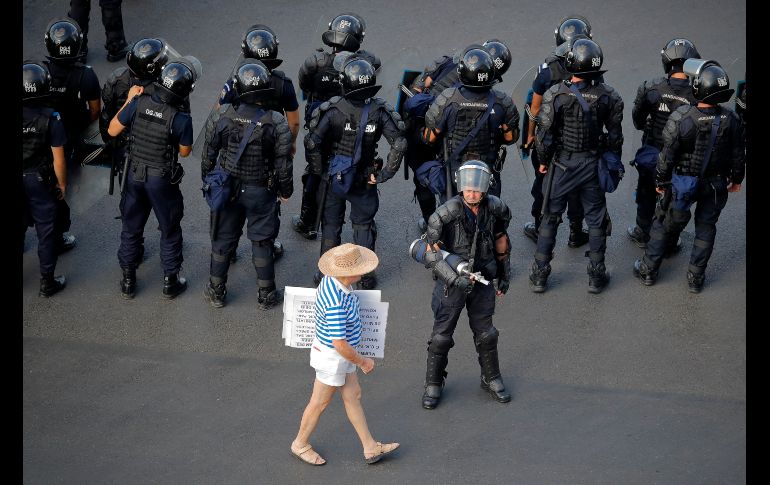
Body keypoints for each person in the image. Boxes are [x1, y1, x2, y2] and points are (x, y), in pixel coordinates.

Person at [633, 60, 745, 293]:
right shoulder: (731, 119)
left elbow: (667, 155)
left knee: (663, 222)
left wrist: (661, 182)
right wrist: (737, 179)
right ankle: (696, 277)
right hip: (715, 183)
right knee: (706, 228)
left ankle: (649, 270)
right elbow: (738, 153)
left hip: (683, 182)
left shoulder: (683, 118)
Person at [528, 38, 624, 294]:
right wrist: (611, 162)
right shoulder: (610, 96)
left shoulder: (557, 94)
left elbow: (544, 136)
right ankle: (596, 275)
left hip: (562, 165)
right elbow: (615, 137)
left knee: (550, 217)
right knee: (595, 219)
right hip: (592, 164)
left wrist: (544, 163)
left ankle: (540, 275)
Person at [291, 243, 399, 466]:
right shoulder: (335, 303)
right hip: (334, 358)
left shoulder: (333, 282)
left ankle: (369, 447)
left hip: (340, 356)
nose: (364, 271)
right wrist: (363, 362)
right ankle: (300, 444)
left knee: (353, 396)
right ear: (349, 273)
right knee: (319, 403)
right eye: (360, 268)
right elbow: (339, 344)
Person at [305, 57, 406, 289]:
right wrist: (383, 175)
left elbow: (312, 144)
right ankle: (367, 277)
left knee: (331, 225)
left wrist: (321, 172)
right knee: (363, 225)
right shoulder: (379, 110)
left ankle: (327, 275)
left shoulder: (331, 110)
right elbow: (399, 143)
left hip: (335, 178)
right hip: (365, 178)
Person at [419, 160, 512, 409]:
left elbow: (501, 240)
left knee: (487, 333)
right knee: (441, 337)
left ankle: (491, 377)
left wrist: (504, 273)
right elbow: (431, 254)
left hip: (482, 280)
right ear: (461, 187)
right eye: (468, 189)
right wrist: (453, 278)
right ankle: (433, 383)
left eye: (477, 189)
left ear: (485, 188)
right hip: (451, 283)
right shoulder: (444, 214)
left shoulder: (496, 209)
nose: (472, 194)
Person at [202, 60, 293, 309]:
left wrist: (209, 183)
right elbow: (283, 163)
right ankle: (266, 295)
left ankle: (216, 291)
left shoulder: (223, 114)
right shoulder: (276, 121)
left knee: (222, 240)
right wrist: (286, 191)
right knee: (262, 242)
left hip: (228, 188)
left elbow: (208, 154)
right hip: (261, 190)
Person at [208, 24, 300, 262]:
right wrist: (288, 145)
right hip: (268, 149)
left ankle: (224, 249)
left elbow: (219, 113)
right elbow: (294, 122)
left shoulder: (235, 81)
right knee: (268, 197)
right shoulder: (283, 83)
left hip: (234, 148)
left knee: (228, 200)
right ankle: (268, 241)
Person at [108, 57, 197, 299]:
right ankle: (170, 281)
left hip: (134, 174)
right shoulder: (181, 119)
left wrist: (128, 100)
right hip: (161, 179)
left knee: (131, 227)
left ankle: (128, 280)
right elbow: (185, 152)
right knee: (169, 229)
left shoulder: (138, 102)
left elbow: (112, 129)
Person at [404, 39, 511, 231]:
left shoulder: (447, 62)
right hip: (437, 132)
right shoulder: (494, 98)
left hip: (426, 128)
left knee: (425, 178)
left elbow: (418, 85)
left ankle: (432, 223)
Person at [292, 13, 381, 240]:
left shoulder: (316, 61)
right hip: (352, 123)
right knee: (359, 166)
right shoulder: (367, 62)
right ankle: (364, 221)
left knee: (314, 170)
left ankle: (308, 222)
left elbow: (304, 84)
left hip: (321, 123)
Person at [521, 16, 595, 248]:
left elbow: (534, 107)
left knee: (543, 182)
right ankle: (575, 232)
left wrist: (530, 134)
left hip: (548, 138)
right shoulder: (591, 66)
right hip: (577, 141)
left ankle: (540, 226)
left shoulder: (547, 70)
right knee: (577, 187)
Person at [627, 38, 700, 255]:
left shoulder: (651, 87)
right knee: (677, 197)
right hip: (682, 157)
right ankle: (670, 240)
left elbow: (638, 119)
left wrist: (649, 125)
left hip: (653, 150)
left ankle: (642, 231)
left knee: (646, 191)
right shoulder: (698, 94)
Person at [422, 44, 519, 200]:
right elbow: (511, 138)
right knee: (491, 211)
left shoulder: (447, 98)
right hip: (487, 166)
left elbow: (429, 138)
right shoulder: (503, 101)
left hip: (454, 166)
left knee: (449, 212)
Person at [44, 18, 102, 252]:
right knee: (61, 187)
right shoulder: (86, 76)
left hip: (40, 138)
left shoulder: (40, 72)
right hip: (69, 140)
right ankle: (57, 236)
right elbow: (96, 110)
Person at [100, 38, 174, 200]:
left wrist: (112, 146)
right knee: (167, 212)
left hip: (125, 150)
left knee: (130, 209)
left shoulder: (116, 78)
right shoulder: (163, 88)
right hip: (156, 155)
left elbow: (106, 116)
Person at [23, 61, 69, 297]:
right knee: (46, 232)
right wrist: (61, 184)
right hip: (39, 180)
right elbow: (58, 158)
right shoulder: (51, 117)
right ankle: (47, 282)